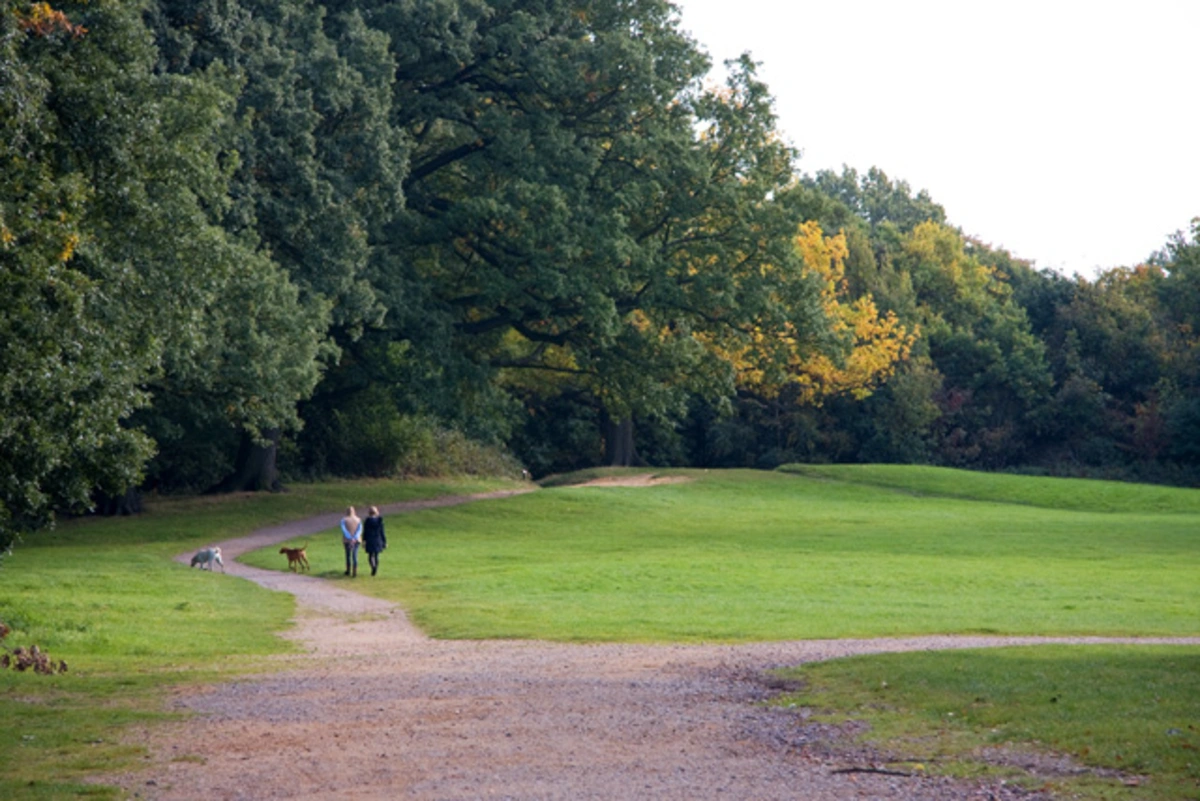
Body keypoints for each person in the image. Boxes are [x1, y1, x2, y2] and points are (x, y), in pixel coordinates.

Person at [362, 506, 387, 577]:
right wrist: (384, 541)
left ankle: (373, 567)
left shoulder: (367, 521)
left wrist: (364, 540)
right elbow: (382, 532)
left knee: (370, 556)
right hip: (377, 539)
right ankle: (376, 567)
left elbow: (365, 532)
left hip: (370, 539)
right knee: (376, 555)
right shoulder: (380, 521)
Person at [340, 506, 362, 577]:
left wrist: (349, 537)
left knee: (348, 555)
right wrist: (355, 537)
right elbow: (360, 530)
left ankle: (348, 570)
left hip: (347, 540)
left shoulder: (344, 520)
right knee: (355, 555)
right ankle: (355, 571)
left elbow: (344, 530)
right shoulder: (358, 520)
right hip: (356, 540)